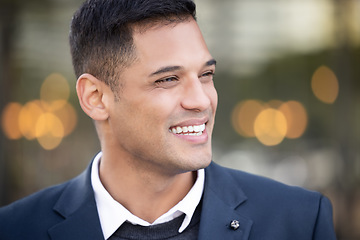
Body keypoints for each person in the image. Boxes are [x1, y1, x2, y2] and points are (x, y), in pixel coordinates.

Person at [0, 0, 337, 239]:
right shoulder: (14, 229)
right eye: (168, 79)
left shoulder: (299, 221)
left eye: (206, 75)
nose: (202, 100)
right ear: (96, 98)